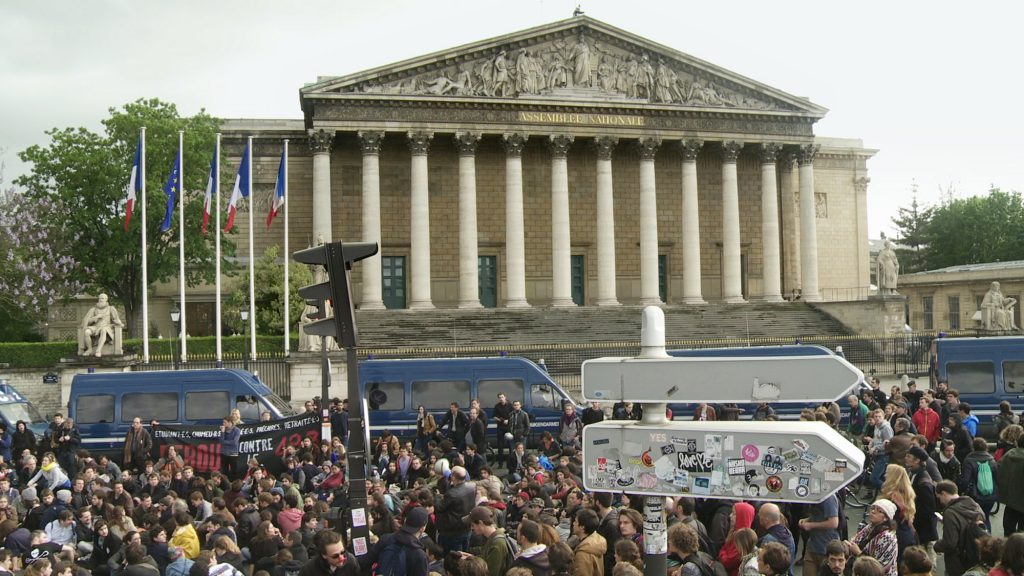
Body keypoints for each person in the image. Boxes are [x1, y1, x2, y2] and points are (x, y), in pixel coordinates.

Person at [934, 480, 985, 576]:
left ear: (944, 493)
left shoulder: (950, 513)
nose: (939, 501)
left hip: (957, 562)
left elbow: (950, 543)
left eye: (939, 497)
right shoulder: (974, 505)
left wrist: (937, 546)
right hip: (975, 555)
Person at [360, 506, 429, 576]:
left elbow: (364, 562)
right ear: (422, 528)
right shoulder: (420, 555)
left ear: (405, 521)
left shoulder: (386, 539)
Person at [844, 499, 898, 576]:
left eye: (879, 511)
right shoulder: (869, 527)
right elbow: (856, 540)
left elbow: (880, 566)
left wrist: (859, 553)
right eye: (873, 508)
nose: (873, 511)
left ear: (886, 517)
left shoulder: (887, 537)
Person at [904, 446, 938, 562]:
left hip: (924, 531)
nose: (906, 458)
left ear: (917, 460)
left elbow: (928, 509)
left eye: (909, 456)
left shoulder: (923, 483)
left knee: (926, 561)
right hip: (919, 528)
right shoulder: (913, 474)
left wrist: (912, 520)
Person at [436, 466, 477, 554]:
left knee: (452, 557)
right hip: (466, 527)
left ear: (453, 477)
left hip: (452, 531)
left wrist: (437, 497)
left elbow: (439, 507)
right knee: (464, 554)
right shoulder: (472, 486)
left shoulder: (452, 494)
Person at [462, 506, 512, 576]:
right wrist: (472, 557)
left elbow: (491, 573)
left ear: (480, 523)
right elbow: (486, 558)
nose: (471, 528)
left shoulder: (498, 544)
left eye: (473, 525)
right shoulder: (490, 537)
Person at [798, 493, 840, 576]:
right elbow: (818, 515)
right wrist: (807, 520)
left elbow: (834, 522)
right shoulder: (815, 495)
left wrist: (811, 525)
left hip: (826, 548)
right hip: (812, 545)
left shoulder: (829, 498)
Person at [997, 431, 1024, 534]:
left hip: (1010, 500)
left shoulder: (1009, 454)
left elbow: (998, 469)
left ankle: (1008, 548)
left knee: (1008, 528)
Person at [718, 502, 754, 576]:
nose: (730, 516)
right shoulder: (733, 533)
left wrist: (723, 552)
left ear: (742, 517)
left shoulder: (744, 540)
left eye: (734, 514)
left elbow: (726, 562)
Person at [756, 503, 794, 572]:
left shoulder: (768, 540)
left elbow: (763, 566)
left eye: (760, 515)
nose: (758, 516)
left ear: (766, 519)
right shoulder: (788, 532)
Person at [572, 508, 606, 576]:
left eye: (575, 521)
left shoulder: (583, 554)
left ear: (582, 527)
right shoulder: (596, 541)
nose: (573, 523)